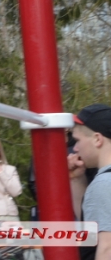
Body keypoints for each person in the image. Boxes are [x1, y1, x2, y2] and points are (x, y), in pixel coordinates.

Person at [69, 104, 111, 260]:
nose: (75, 149)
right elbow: (96, 222)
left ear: (97, 139)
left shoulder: (103, 183)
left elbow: (107, 249)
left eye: (77, 141)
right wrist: (77, 179)